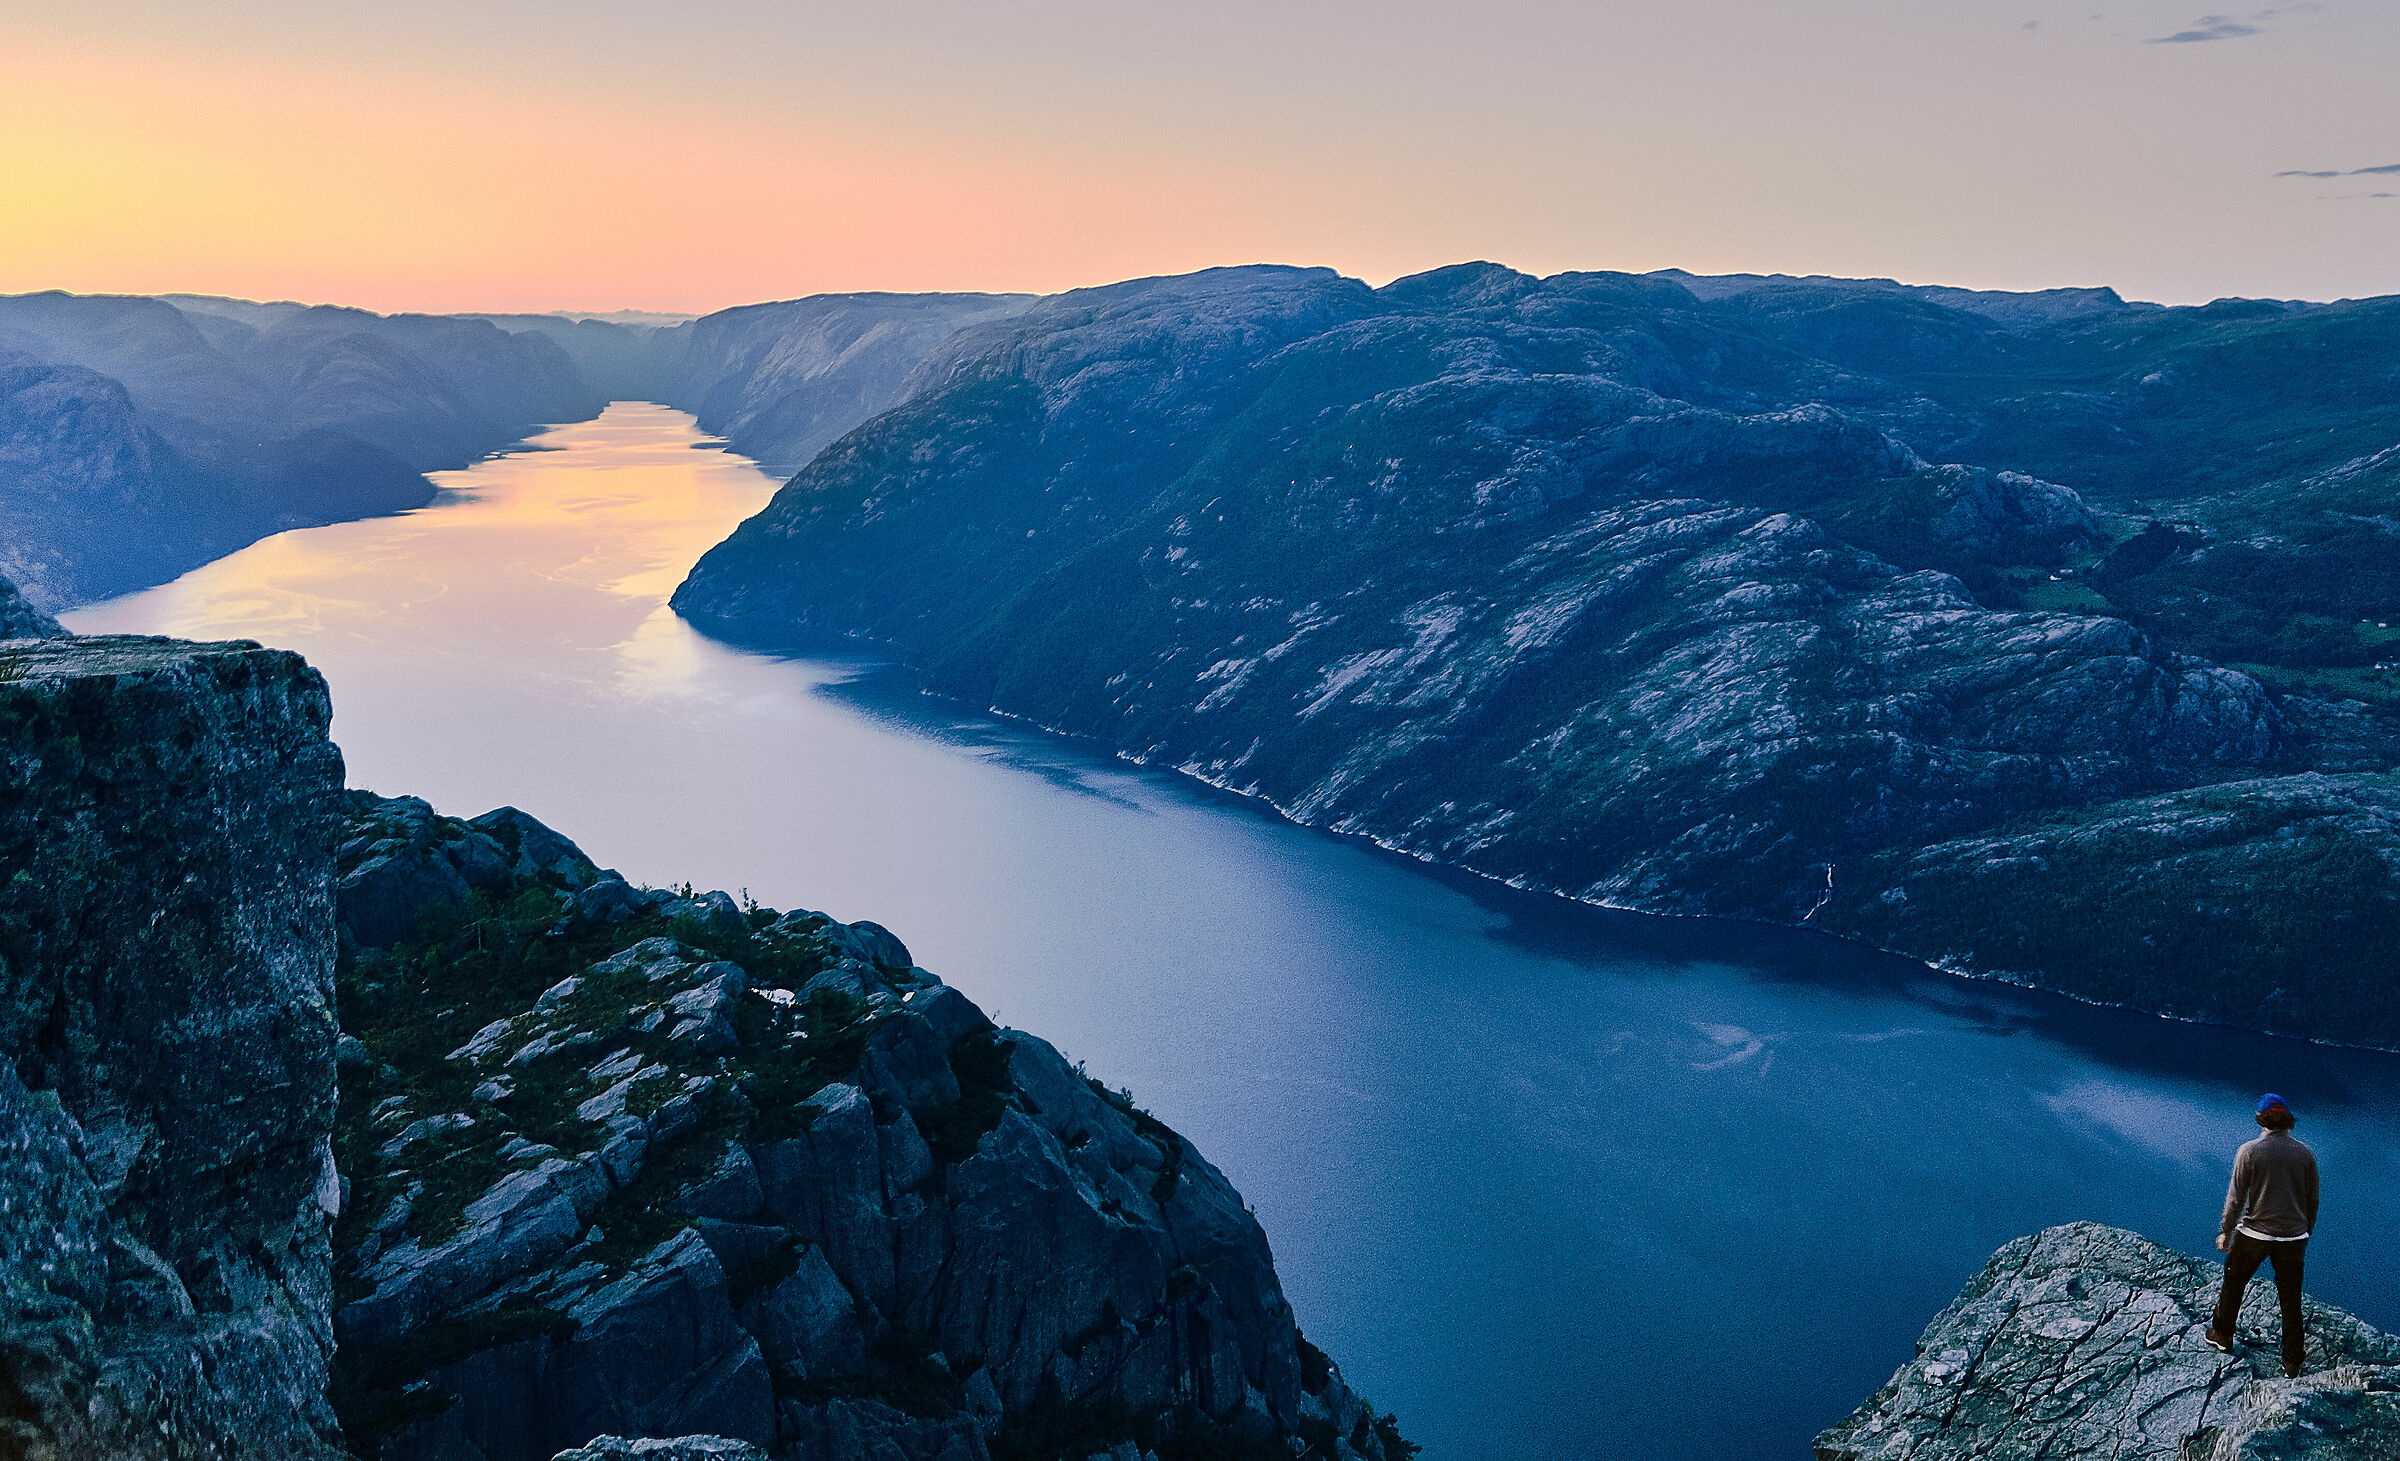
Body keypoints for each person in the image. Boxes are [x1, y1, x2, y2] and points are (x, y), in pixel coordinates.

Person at [2204, 1093, 2319, 1377]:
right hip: (2293, 1238)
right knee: (2290, 1297)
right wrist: (2305, 1231)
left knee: (2234, 1283)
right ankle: (2293, 1361)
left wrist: (2226, 1230)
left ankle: (2222, 1334)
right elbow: (2312, 1199)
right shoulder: (2305, 1154)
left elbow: (2236, 1197)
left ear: (2261, 1119)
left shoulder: (2250, 1151)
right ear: (2288, 1120)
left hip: (2254, 1233)